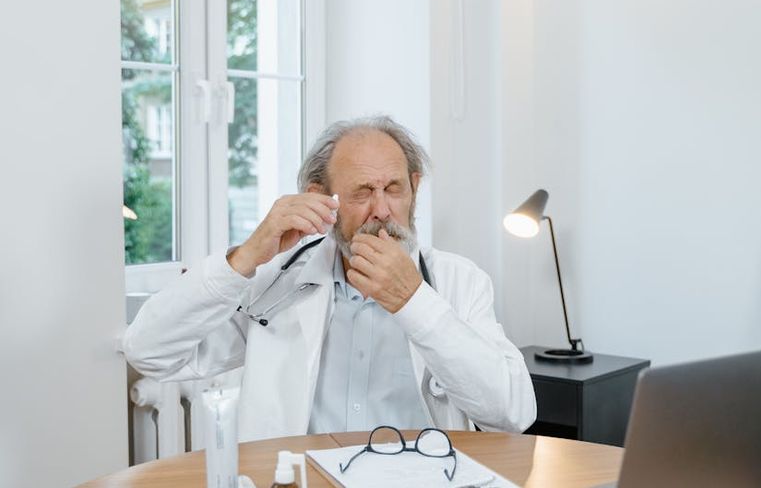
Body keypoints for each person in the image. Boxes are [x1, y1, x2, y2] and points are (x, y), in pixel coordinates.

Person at [124, 116, 536, 441]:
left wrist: (414, 300)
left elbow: (513, 413)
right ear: (320, 197)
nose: (382, 211)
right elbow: (149, 352)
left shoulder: (458, 282)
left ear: (414, 187)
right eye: (362, 192)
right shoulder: (276, 281)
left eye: (394, 188)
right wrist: (245, 257)